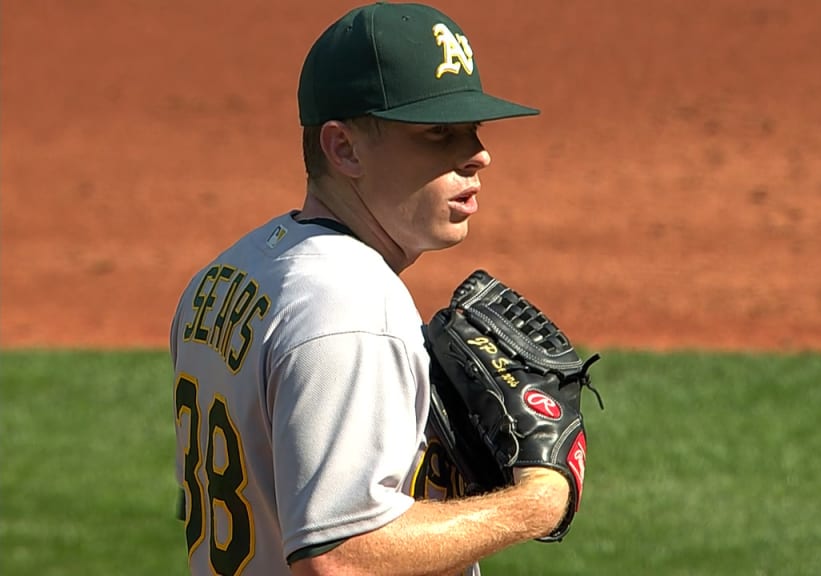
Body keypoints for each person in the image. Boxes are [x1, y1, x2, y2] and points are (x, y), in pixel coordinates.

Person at [170, 2, 572, 575]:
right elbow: (340, 556)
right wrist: (532, 506)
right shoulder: (351, 303)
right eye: (439, 132)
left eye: (474, 128)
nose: (478, 153)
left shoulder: (226, 275)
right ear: (344, 149)